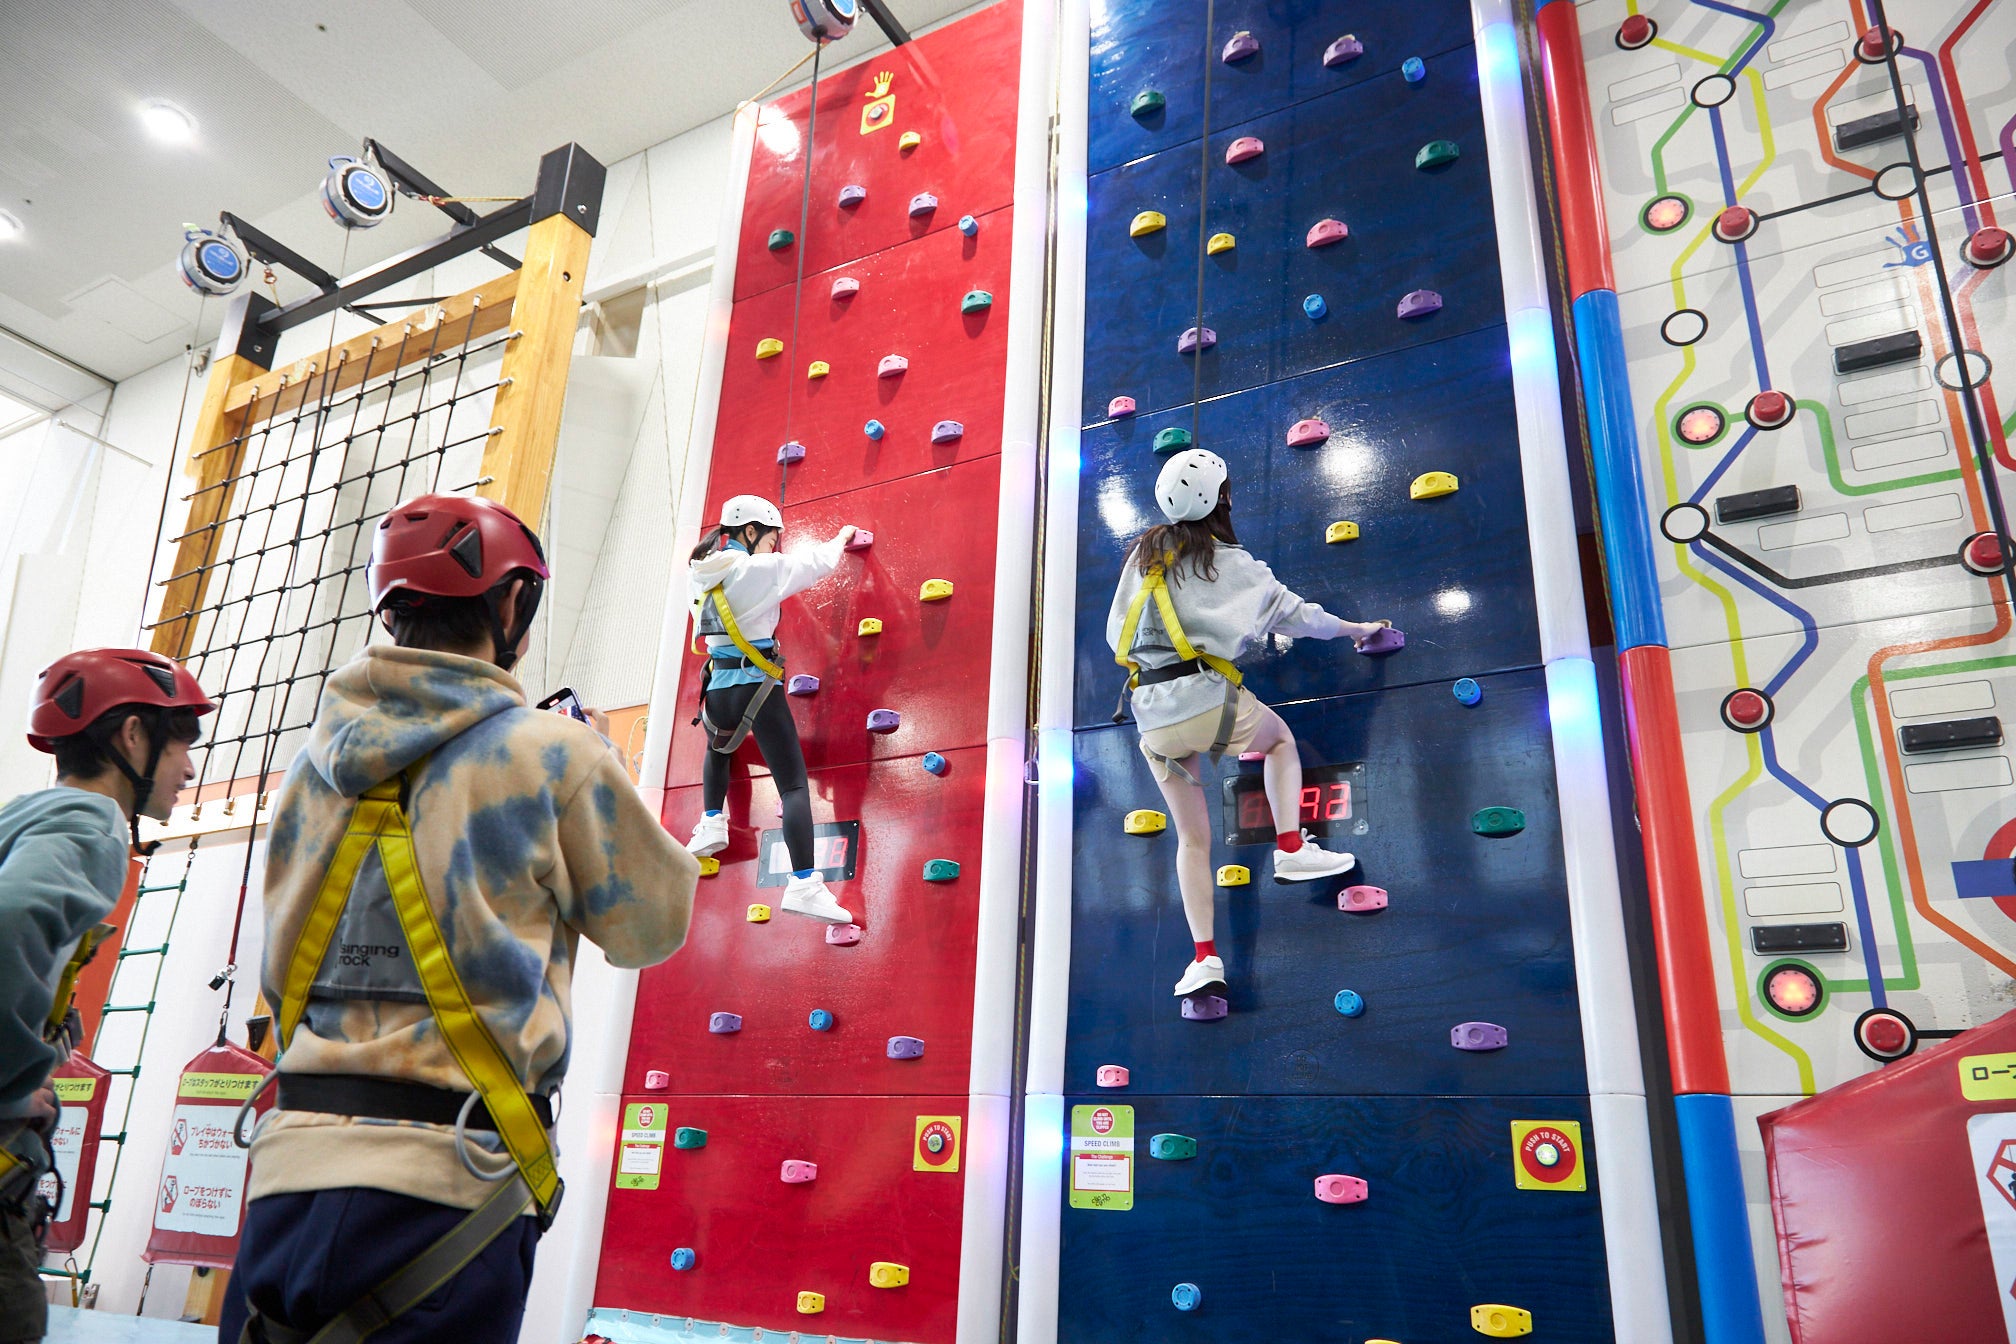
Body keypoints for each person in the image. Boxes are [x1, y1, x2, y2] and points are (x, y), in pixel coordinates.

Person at [222, 493, 698, 1344]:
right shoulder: (553, 754)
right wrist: (603, 774)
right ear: (513, 603)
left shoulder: (310, 768)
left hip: (284, 1181)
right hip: (449, 1192)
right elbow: (650, 928)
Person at [1108, 450, 1391, 999]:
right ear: (1221, 498)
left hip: (1151, 715)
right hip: (1208, 701)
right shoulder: (1233, 564)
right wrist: (1358, 628)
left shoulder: (1144, 554)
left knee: (1192, 839)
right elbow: (1300, 616)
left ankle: (1204, 959)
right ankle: (1291, 846)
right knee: (1279, 740)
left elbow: (1116, 628)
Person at [1, 648, 211, 1344]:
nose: (187, 768)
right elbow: (13, 922)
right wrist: (12, 1083)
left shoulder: (23, 816)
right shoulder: (93, 827)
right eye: (180, 743)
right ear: (131, 738)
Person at [684, 495, 862, 924]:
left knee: (719, 750)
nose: (773, 548)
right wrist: (842, 536)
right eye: (770, 539)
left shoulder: (699, 571)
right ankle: (804, 884)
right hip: (756, 685)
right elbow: (816, 563)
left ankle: (711, 824)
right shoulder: (755, 569)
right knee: (794, 788)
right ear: (749, 532)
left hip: (718, 689)